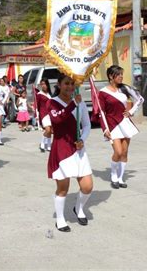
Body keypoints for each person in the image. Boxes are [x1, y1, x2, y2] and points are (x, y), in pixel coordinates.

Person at [48, 73, 92, 232]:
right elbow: (58, 120)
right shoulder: (52, 103)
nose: (70, 87)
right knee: (63, 188)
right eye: (66, 83)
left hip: (78, 149)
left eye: (72, 83)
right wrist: (74, 104)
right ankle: (60, 219)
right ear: (59, 85)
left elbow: (86, 125)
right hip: (61, 149)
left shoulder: (79, 103)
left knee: (87, 187)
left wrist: (83, 139)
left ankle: (78, 208)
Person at [99, 65, 144, 189]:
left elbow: (140, 99)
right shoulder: (103, 92)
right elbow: (101, 112)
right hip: (112, 124)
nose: (121, 76)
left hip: (125, 123)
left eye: (121, 74)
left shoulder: (124, 88)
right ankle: (113, 175)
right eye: (118, 74)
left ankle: (120, 178)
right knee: (117, 152)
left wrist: (131, 111)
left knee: (124, 152)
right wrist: (105, 129)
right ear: (110, 76)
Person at [36, 78, 53, 152]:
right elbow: (37, 106)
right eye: (42, 84)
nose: (43, 86)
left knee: (50, 131)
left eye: (45, 84)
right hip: (43, 114)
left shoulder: (50, 94)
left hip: (50, 114)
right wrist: (37, 115)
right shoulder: (39, 94)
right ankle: (42, 144)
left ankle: (48, 146)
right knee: (47, 130)